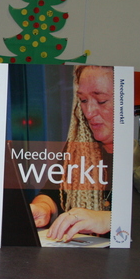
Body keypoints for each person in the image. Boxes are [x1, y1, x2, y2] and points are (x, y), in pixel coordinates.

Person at [30, 65, 114, 243]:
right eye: (83, 100)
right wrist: (43, 208)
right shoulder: (79, 149)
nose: (89, 112)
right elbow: (51, 192)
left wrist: (110, 219)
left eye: (101, 101)